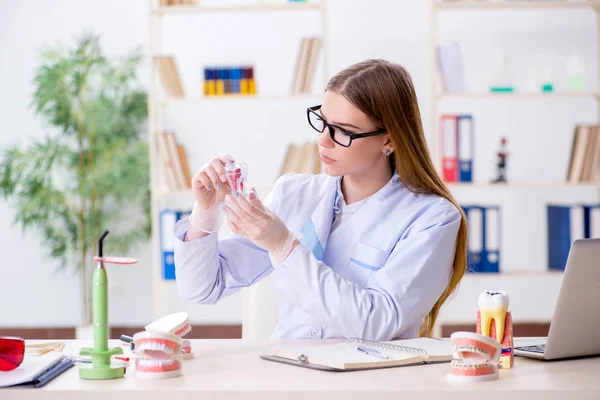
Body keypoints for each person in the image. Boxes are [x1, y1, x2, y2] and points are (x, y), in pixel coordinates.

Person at [174, 59, 467, 341]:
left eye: (343, 131)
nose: (323, 140)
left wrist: (283, 246)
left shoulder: (432, 218)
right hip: (290, 374)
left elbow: (377, 322)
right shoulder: (294, 194)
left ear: (389, 140)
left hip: (370, 380)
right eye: (323, 122)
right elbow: (203, 288)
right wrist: (206, 213)